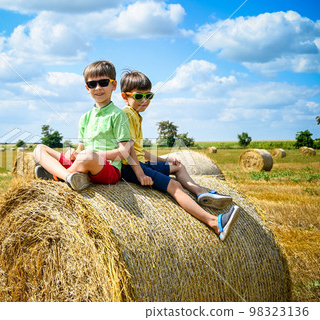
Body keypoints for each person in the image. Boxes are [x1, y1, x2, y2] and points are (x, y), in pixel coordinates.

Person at [120, 70, 240, 241]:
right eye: (139, 96)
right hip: (131, 167)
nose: (145, 101)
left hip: (140, 163)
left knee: (178, 165)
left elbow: (139, 150)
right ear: (125, 96)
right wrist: (140, 174)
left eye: (149, 96)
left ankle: (201, 193)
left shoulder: (136, 115)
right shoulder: (127, 114)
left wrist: (164, 160)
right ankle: (215, 223)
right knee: (175, 186)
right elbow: (128, 149)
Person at [33, 60, 133, 191]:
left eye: (103, 83)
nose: (98, 88)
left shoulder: (118, 115)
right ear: (87, 88)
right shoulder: (85, 118)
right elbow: (81, 149)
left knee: (88, 155)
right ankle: (69, 177)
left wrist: (94, 154)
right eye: (92, 84)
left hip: (107, 169)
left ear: (113, 85)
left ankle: (57, 176)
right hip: (82, 162)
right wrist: (73, 153)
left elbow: (124, 152)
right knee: (39, 149)